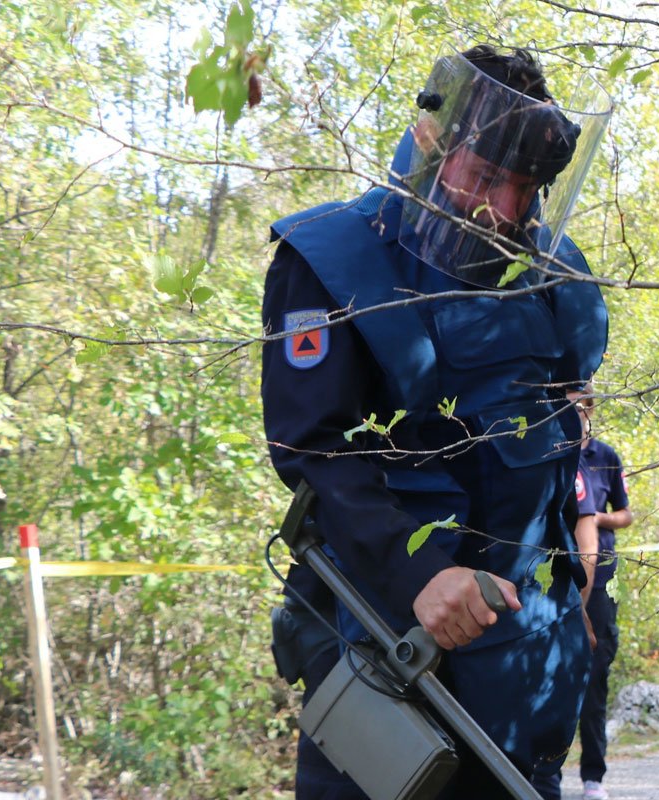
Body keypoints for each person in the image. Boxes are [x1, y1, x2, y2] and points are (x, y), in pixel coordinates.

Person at [261, 44, 612, 799]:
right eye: (486, 177)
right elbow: (315, 451)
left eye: (524, 188)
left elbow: (567, 443)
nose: (503, 210)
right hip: (388, 658)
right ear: (432, 143)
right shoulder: (331, 260)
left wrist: (576, 594)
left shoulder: (553, 275)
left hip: (525, 671)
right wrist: (420, 574)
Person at [531, 388, 632, 800]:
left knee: (594, 678)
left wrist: (592, 514)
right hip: (552, 579)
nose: (572, 412)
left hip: (598, 580)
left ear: (589, 409)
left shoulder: (603, 456)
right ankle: (543, 777)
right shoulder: (550, 448)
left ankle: (593, 777)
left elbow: (624, 513)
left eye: (579, 405)